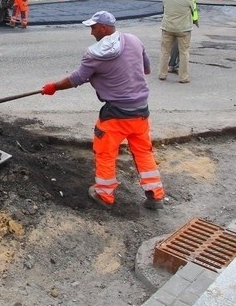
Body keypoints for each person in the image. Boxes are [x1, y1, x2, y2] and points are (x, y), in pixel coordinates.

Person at [40, 11, 165, 210]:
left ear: (104, 28)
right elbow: (146, 69)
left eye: (93, 27)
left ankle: (104, 195)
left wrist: (53, 87)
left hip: (116, 114)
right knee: (143, 152)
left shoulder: (94, 54)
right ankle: (155, 195)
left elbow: (76, 79)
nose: (91, 32)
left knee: (105, 153)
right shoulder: (133, 40)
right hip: (140, 110)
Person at [159, 0, 194, 83]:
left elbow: (164, 9)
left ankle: (162, 74)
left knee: (165, 52)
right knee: (184, 53)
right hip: (183, 30)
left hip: (167, 28)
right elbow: (193, 10)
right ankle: (183, 77)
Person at [168, 0, 198, 73]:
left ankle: (173, 65)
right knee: (180, 48)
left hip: (179, 25)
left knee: (178, 47)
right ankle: (174, 65)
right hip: (184, 25)